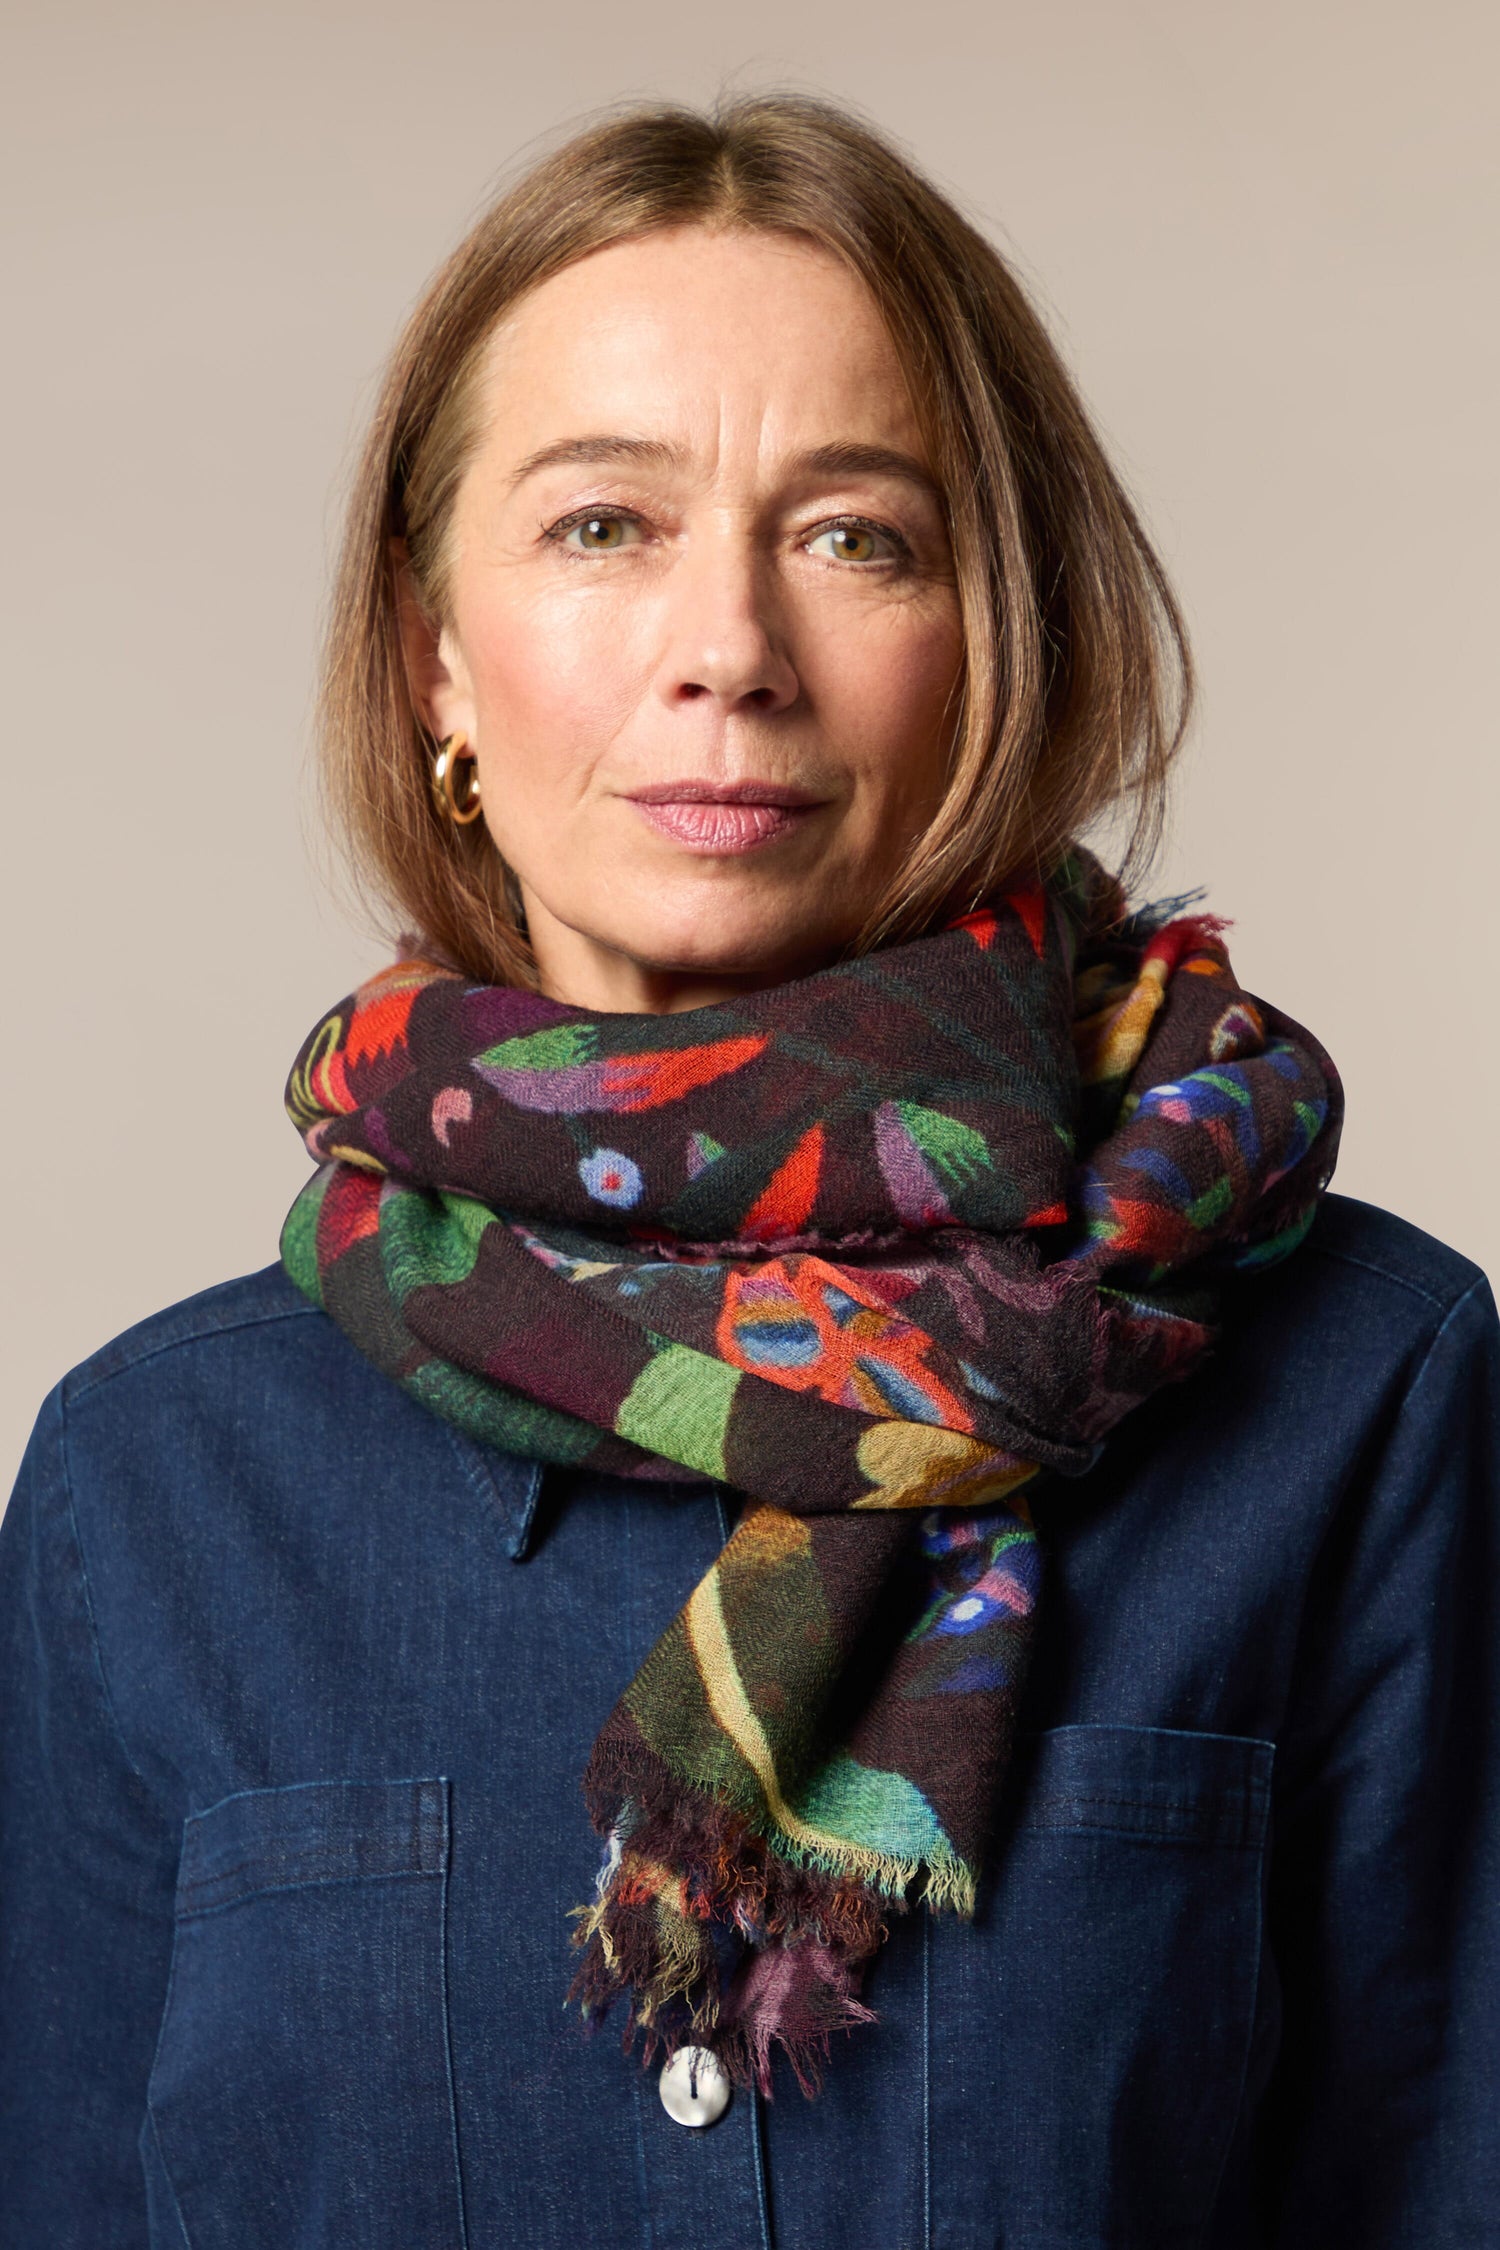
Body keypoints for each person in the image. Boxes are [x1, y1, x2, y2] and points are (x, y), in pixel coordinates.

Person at [1, 93, 1495, 2250]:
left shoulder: (1361, 1393)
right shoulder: (153, 1490)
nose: (730, 649)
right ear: (439, 661)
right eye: (602, 526)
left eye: (859, 535)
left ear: (997, 641)